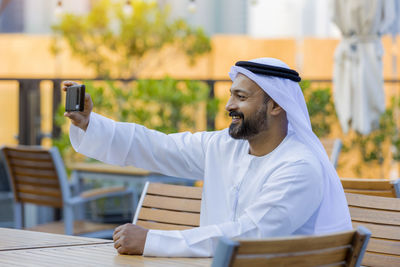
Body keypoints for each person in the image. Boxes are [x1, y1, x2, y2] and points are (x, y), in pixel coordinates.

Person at [64, 57, 352, 257]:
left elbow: (248, 235)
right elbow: (159, 147)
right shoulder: (225, 146)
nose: (229, 105)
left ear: (276, 105)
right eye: (231, 95)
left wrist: (152, 240)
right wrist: (89, 123)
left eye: (241, 97)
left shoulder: (300, 167)